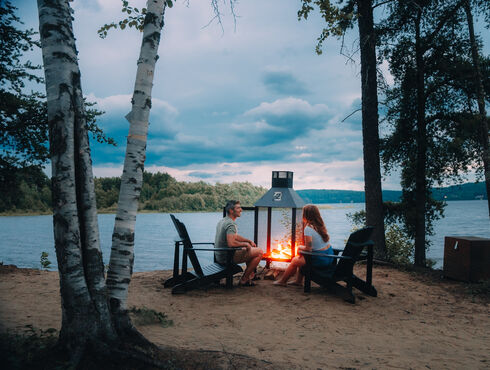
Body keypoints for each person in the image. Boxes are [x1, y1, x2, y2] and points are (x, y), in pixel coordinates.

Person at [273, 204, 334, 287]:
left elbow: (309, 248)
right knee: (302, 256)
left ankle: (282, 281)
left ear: (306, 215)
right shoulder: (320, 225)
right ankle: (298, 281)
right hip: (329, 256)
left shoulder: (308, 228)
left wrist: (299, 247)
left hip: (320, 259)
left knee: (295, 260)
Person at [215, 200, 263, 286]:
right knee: (259, 252)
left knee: (250, 250)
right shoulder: (231, 224)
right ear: (231, 211)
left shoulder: (223, 221)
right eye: (238, 208)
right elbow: (231, 243)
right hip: (227, 257)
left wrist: (248, 241)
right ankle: (244, 279)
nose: (241, 210)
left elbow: (234, 236)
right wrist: (245, 244)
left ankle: (249, 277)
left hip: (220, 255)